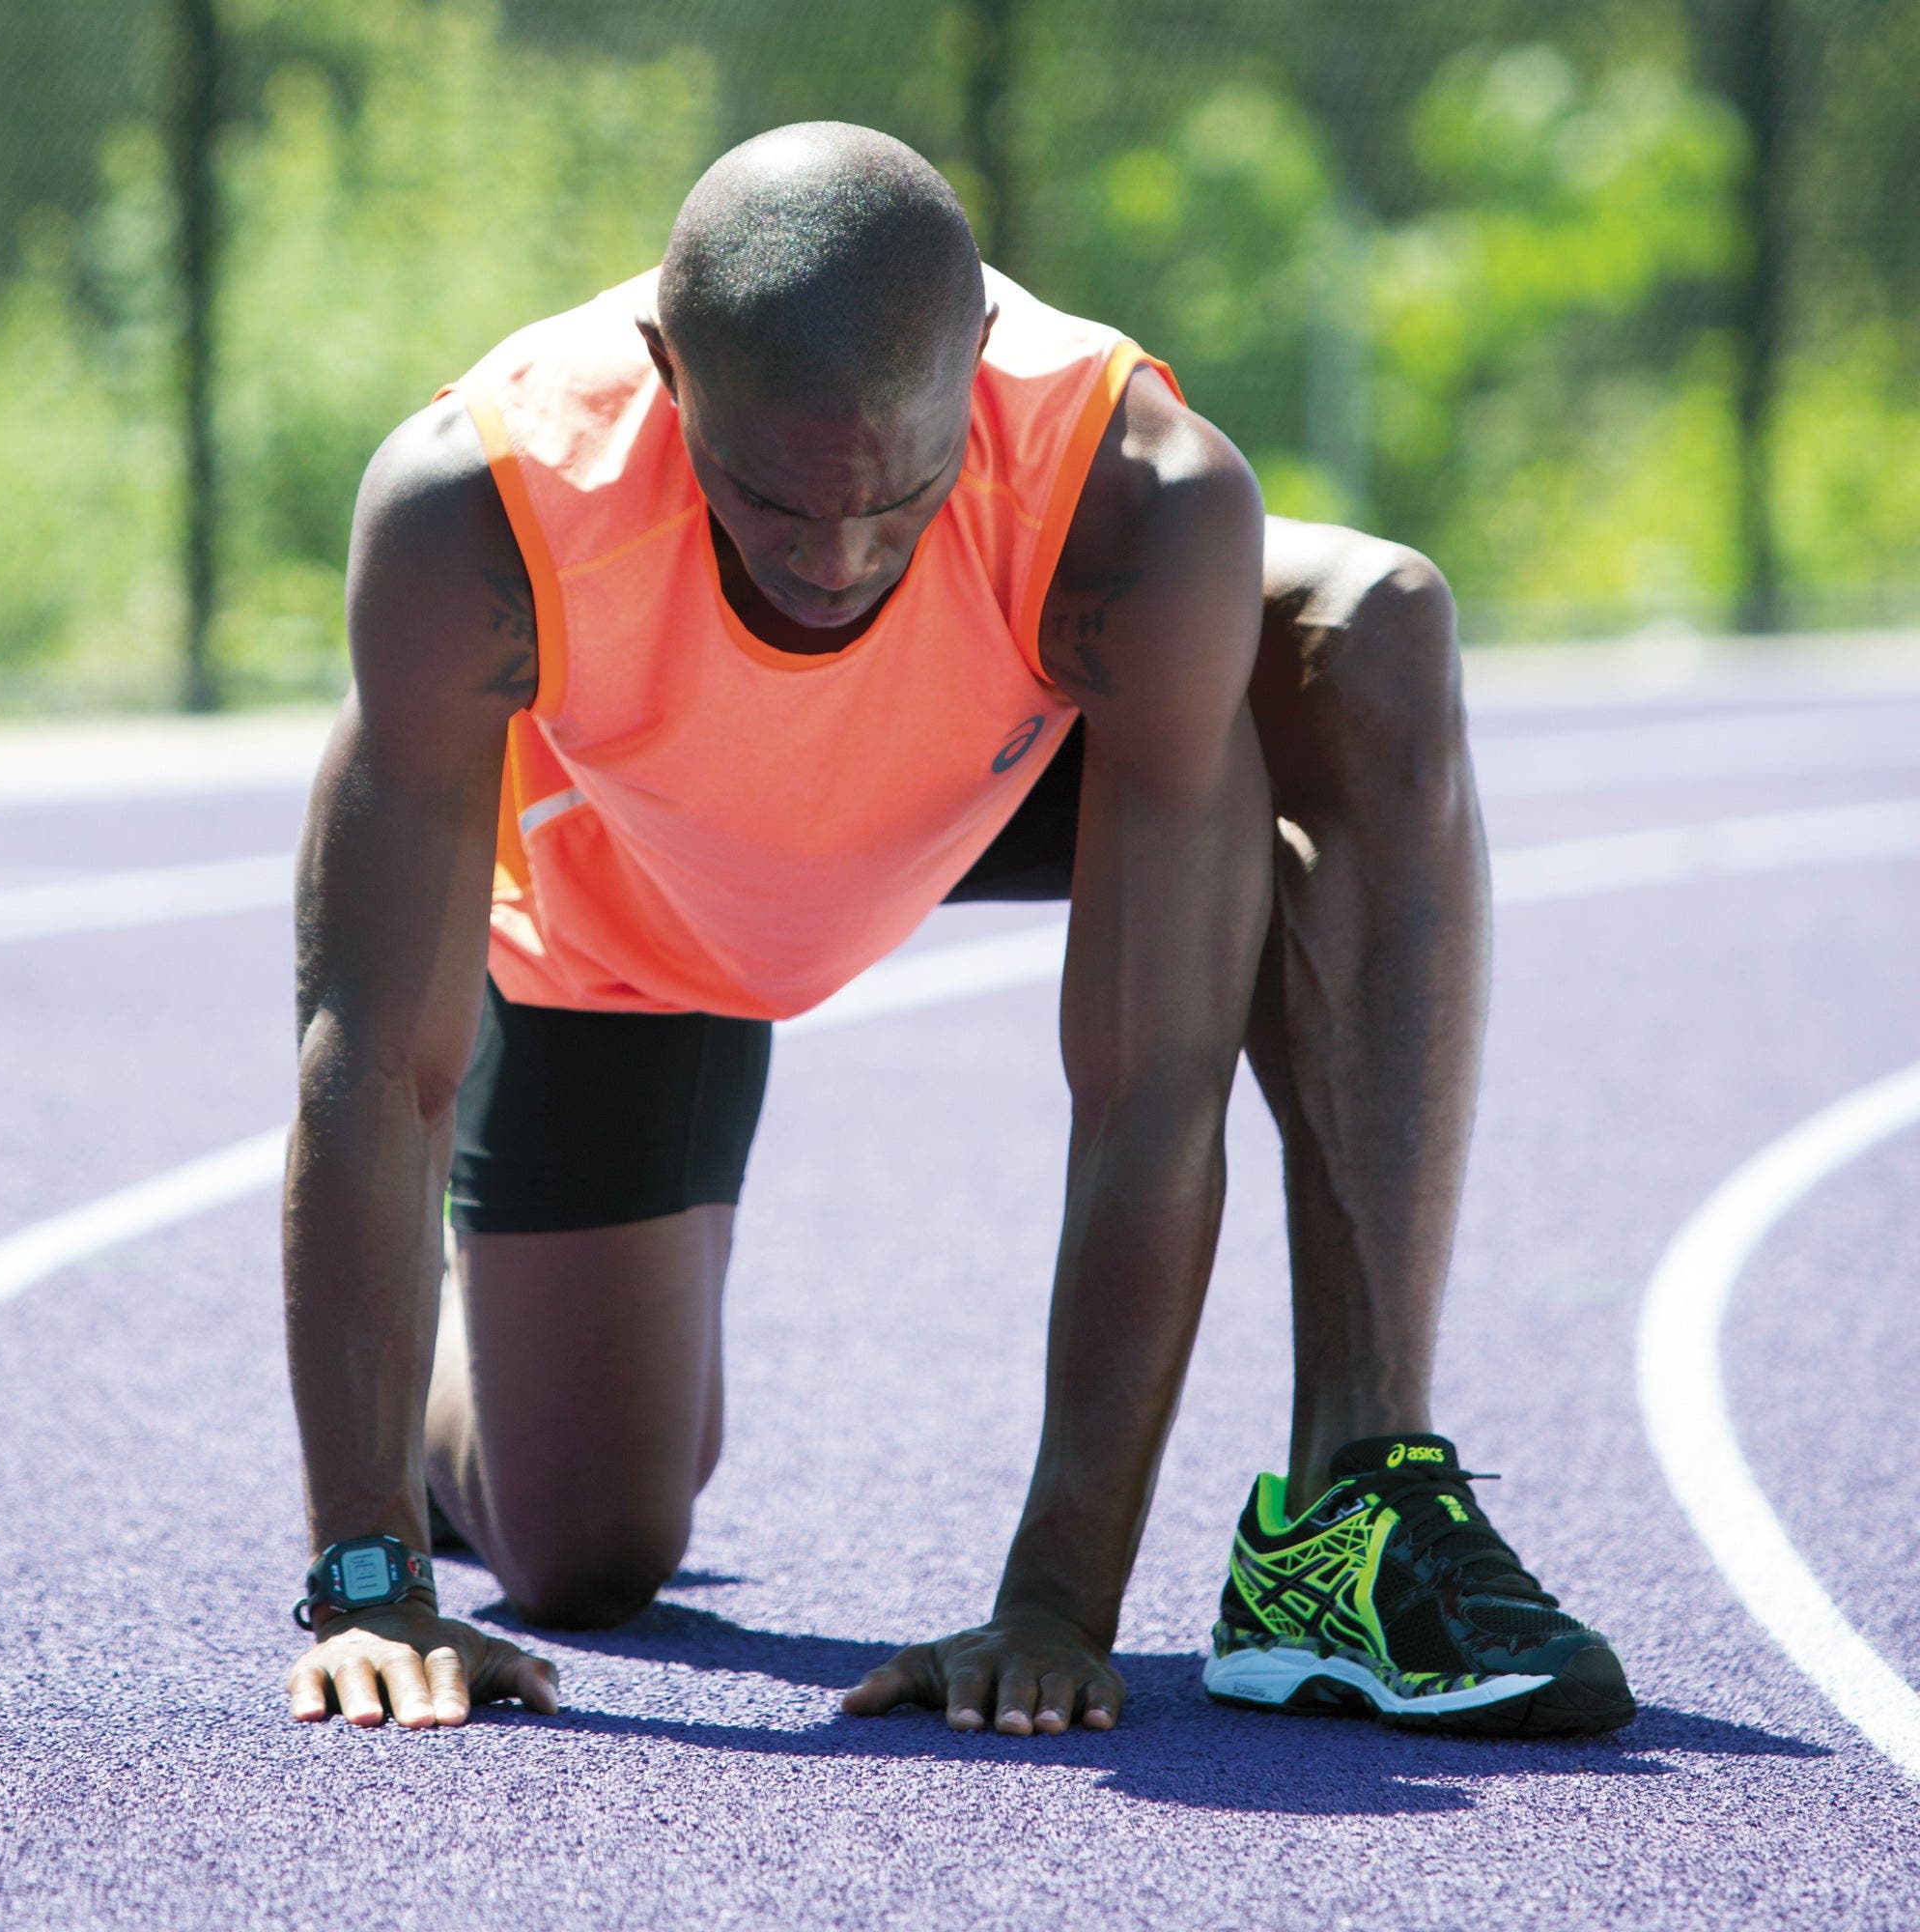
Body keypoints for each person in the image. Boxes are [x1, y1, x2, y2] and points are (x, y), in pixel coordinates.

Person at [283, 122, 1633, 1739]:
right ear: (665, 369)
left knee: (1375, 624)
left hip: (977, 787)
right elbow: (375, 1066)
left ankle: (1361, 1502)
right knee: (587, 1552)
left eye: (899, 499)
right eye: (775, 506)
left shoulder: (1133, 493)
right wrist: (368, 1578)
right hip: (632, 906)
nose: (838, 561)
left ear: (979, 366)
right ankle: (463, 1406)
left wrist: (1060, 1597)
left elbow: (1152, 1084)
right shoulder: (478, 509)